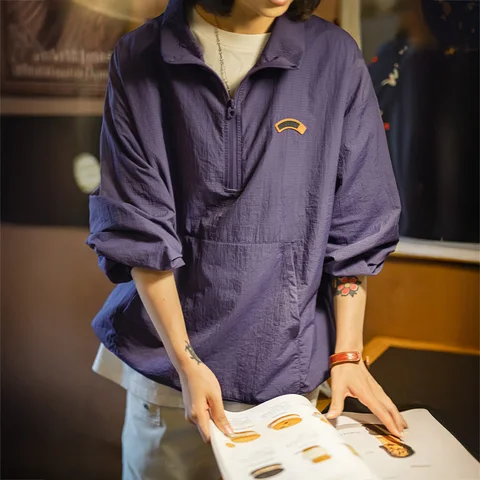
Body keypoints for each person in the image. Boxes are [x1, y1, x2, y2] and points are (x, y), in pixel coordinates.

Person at [87, 0, 406, 478]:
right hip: (172, 382)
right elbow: (139, 226)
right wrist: (186, 364)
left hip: (290, 380)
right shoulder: (142, 55)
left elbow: (358, 219)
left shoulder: (333, 56)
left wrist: (348, 354)